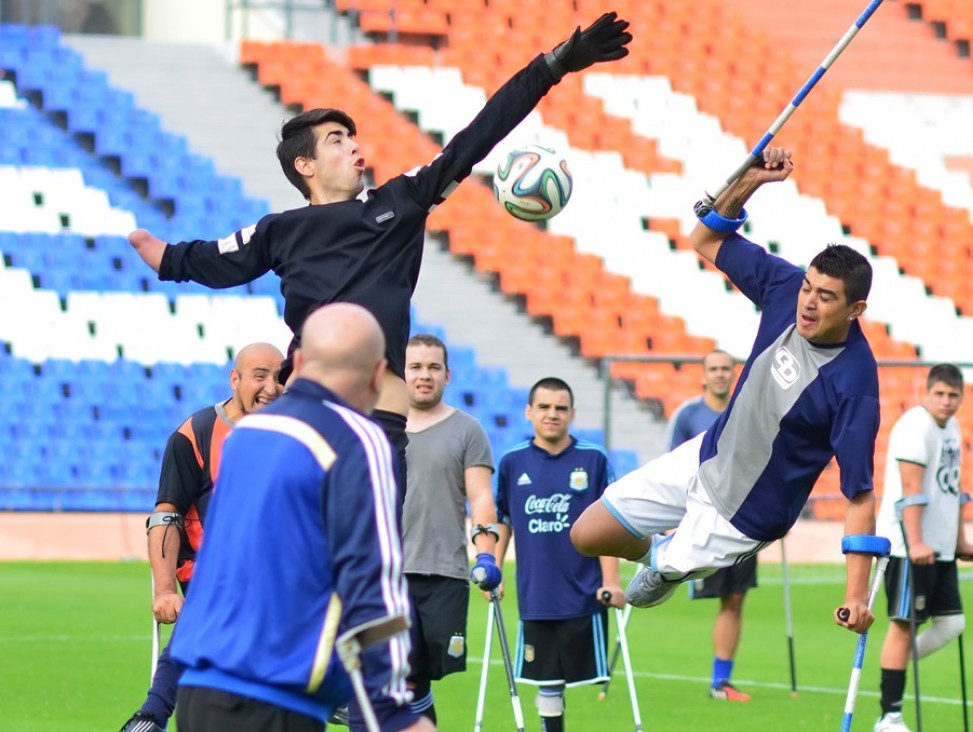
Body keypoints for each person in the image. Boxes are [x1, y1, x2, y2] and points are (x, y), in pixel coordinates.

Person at [124, 12, 633, 502]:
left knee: (369, 563)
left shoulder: (400, 202)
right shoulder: (279, 230)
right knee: (300, 559)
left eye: (353, 138)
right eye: (337, 141)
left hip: (378, 422)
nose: (354, 148)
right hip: (308, 411)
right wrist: (168, 258)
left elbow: (476, 137)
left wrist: (553, 66)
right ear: (305, 164)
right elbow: (216, 259)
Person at [570, 146, 883, 636]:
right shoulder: (785, 288)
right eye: (809, 288)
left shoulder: (856, 385)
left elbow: (859, 495)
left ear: (855, 310)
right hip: (705, 456)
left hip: (744, 516)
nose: (809, 303)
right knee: (587, 533)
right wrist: (751, 180)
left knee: (644, 590)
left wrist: (855, 595)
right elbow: (705, 237)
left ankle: (669, 564)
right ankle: (661, 555)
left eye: (826, 297)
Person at [169, 303, 433, 732]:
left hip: (198, 690)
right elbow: (374, 578)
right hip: (276, 700)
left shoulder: (246, 435)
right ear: (378, 373)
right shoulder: (358, 437)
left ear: (300, 362)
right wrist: (393, 710)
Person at [119, 342, 284, 732]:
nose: (272, 388)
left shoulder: (302, 434)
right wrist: (163, 590)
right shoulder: (196, 434)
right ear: (235, 379)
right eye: (260, 376)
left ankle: (152, 712)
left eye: (280, 377)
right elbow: (166, 516)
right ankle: (153, 712)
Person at [495, 377, 624, 732]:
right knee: (546, 681)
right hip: (536, 593)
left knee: (575, 679)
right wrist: (494, 567)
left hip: (584, 593)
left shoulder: (593, 459)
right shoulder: (511, 462)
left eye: (560, 408)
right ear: (529, 412)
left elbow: (610, 523)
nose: (552, 414)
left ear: (572, 414)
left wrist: (611, 581)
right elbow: (502, 520)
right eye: (544, 407)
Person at [872, 364, 973, 732]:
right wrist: (916, 541)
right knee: (903, 626)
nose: (946, 402)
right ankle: (889, 717)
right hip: (909, 547)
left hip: (939, 547)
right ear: (926, 392)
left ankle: (896, 665)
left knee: (952, 623)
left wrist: (959, 540)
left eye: (953, 395)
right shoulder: (915, 426)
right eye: (940, 394)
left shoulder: (951, 428)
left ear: (961, 397)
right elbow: (911, 488)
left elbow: (953, 487)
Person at [399, 334, 501, 724]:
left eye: (433, 367)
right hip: (388, 572)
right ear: (401, 372)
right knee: (400, 671)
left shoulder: (467, 430)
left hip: (445, 570)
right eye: (416, 367)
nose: (424, 375)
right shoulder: (382, 425)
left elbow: (480, 499)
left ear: (447, 374)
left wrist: (487, 552)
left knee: (423, 674)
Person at [667, 350, 756, 702]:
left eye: (725, 369)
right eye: (714, 369)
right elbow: (674, 464)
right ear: (703, 376)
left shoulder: (746, 410)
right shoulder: (688, 415)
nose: (720, 375)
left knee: (735, 599)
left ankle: (721, 682)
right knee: (670, 582)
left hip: (745, 518)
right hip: (704, 518)